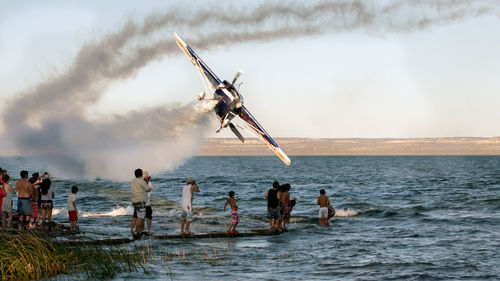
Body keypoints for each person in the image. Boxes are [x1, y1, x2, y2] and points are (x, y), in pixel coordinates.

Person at [130, 169, 150, 238]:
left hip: (134, 200)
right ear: (141, 174)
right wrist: (146, 181)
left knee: (137, 216)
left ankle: (138, 231)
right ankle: (136, 232)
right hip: (140, 201)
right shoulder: (141, 181)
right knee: (140, 217)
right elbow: (148, 189)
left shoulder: (132, 181)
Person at [143, 171, 154, 236]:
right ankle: (148, 230)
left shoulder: (141, 182)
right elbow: (152, 189)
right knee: (149, 217)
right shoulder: (149, 183)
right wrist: (149, 181)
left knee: (142, 217)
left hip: (141, 202)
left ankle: (142, 230)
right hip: (147, 203)